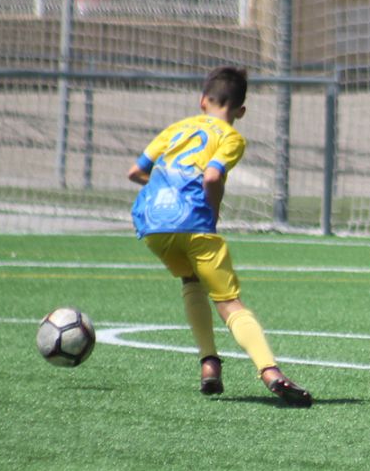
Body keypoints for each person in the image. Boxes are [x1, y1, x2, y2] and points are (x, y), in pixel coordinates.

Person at [126, 66, 312, 407]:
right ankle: (270, 371)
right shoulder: (231, 137)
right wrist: (210, 212)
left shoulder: (176, 128)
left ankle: (209, 363)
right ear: (241, 110)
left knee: (190, 281)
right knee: (228, 303)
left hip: (152, 224)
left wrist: (166, 192)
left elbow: (136, 171)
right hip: (193, 222)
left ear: (202, 101)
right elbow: (212, 177)